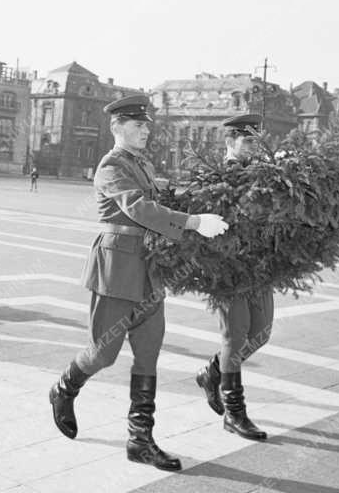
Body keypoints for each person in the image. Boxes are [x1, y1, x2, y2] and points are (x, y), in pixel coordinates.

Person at [48, 95, 229, 471]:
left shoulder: (142, 164)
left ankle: (140, 440)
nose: (146, 130)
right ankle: (64, 388)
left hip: (150, 269)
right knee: (103, 353)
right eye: (137, 125)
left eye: (147, 125)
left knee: (149, 354)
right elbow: (138, 208)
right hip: (116, 269)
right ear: (117, 127)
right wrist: (194, 222)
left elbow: (161, 201)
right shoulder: (111, 165)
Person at [194, 114, 271, 442]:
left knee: (262, 332)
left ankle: (212, 373)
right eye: (248, 140)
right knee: (235, 337)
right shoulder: (215, 176)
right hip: (229, 268)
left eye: (257, 140)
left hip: (260, 266)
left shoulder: (262, 175)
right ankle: (234, 413)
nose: (254, 147)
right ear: (230, 142)